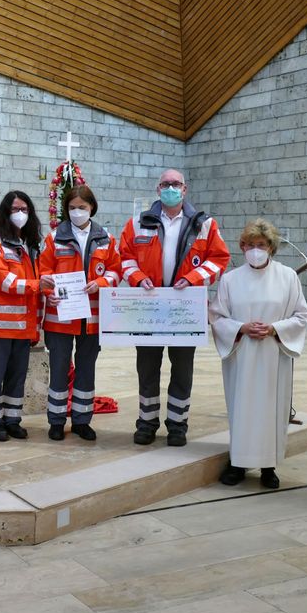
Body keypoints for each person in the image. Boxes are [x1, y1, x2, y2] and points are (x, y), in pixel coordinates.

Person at [120, 169, 230, 447]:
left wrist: (192, 278)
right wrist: (137, 277)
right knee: (147, 368)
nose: (171, 188)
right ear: (158, 189)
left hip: (185, 308)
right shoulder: (137, 223)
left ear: (185, 189)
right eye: (166, 184)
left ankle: (178, 425)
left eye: (176, 184)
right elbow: (125, 257)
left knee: (182, 369)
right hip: (149, 307)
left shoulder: (204, 224)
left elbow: (219, 259)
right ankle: (147, 422)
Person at [209, 219, 307, 488]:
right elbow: (217, 317)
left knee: (272, 410)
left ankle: (268, 466)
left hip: (273, 355)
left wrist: (275, 328)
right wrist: (241, 327)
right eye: (250, 245)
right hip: (242, 354)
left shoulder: (287, 276)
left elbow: (301, 316)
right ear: (242, 247)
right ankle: (238, 463)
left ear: (271, 247)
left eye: (261, 245)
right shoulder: (230, 279)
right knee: (242, 409)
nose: (255, 249)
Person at [38, 185, 122, 441]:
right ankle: (56, 420)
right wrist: (48, 289)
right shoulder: (54, 238)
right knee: (59, 369)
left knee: (87, 369)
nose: (77, 212)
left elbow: (116, 271)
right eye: (72, 208)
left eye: (82, 208)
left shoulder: (106, 238)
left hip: (92, 319)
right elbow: (42, 271)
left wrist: (102, 282)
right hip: (60, 317)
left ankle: (82, 420)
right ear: (66, 209)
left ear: (92, 208)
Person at [0, 191, 53, 441]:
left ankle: (12, 419)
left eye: (24, 209)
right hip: (1, 327)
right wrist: (37, 285)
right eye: (14, 209)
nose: (20, 214)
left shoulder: (31, 248)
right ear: (5, 213)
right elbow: (3, 280)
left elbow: (41, 284)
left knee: (17, 377)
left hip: (24, 326)